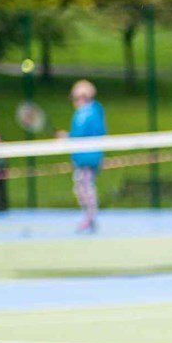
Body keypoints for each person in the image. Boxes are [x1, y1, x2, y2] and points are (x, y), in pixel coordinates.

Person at [65, 80, 107, 233]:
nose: (74, 102)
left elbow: (79, 135)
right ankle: (89, 217)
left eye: (75, 98)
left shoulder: (85, 113)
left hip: (87, 158)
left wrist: (68, 138)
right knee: (82, 187)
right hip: (89, 157)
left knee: (85, 187)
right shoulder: (96, 110)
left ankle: (90, 218)